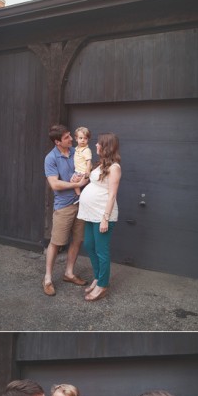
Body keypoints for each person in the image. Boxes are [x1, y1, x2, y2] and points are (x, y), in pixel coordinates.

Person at [43, 124, 90, 296]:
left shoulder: (76, 152)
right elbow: (54, 183)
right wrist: (77, 184)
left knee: (77, 240)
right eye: (67, 137)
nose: (72, 139)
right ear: (57, 142)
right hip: (64, 206)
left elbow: (86, 169)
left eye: (71, 135)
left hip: (81, 203)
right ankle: (47, 278)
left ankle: (69, 273)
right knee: (56, 242)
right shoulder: (51, 158)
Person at [77, 133, 122, 302]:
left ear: (107, 146)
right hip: (91, 214)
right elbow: (94, 183)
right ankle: (97, 277)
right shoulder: (101, 164)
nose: (95, 145)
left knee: (101, 251)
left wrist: (105, 218)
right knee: (89, 244)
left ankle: (102, 285)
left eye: (99, 144)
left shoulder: (114, 168)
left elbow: (112, 195)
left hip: (103, 215)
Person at [72, 127, 93, 197]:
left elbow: (88, 161)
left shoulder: (86, 150)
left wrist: (87, 171)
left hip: (83, 172)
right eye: (80, 138)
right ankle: (80, 195)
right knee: (73, 181)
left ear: (88, 139)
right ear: (76, 139)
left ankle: (79, 196)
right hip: (77, 171)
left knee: (73, 181)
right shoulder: (76, 149)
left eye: (85, 138)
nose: (83, 140)